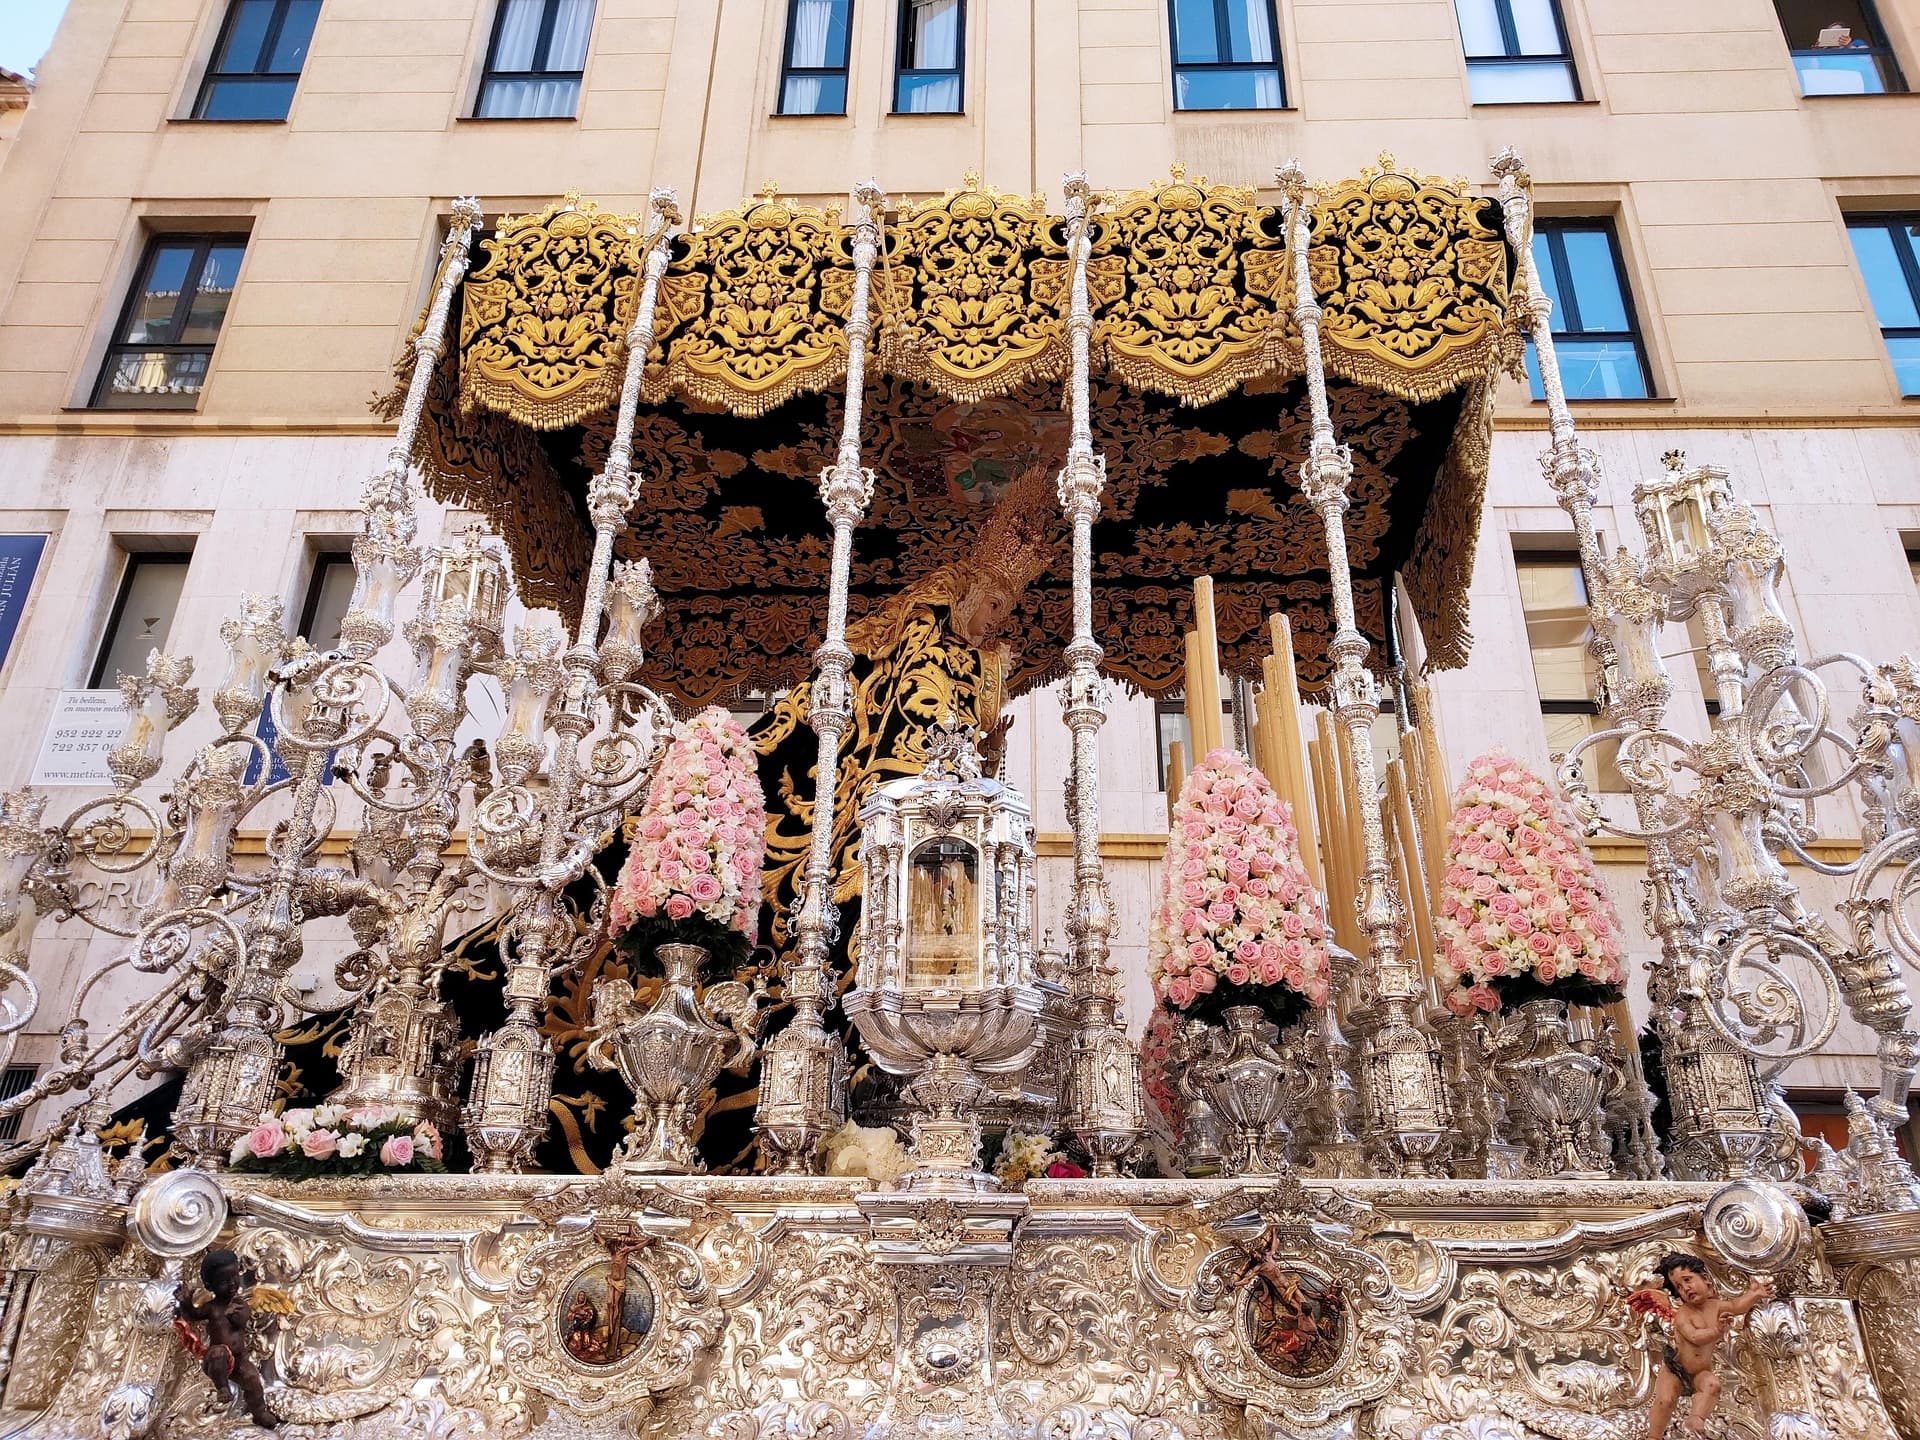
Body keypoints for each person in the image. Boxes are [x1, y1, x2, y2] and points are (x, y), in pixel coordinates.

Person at [1634, 1252, 1772, 1437]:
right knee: (1665, 1401)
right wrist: (1717, 1331)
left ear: (1706, 1279)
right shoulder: (1684, 1314)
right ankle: (1653, 1435)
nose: (1686, 1288)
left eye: (1688, 1280)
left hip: (1700, 1372)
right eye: (1679, 1287)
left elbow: (1737, 1306)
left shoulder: (1716, 1306)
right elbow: (1694, 1336)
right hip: (1676, 1369)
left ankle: (1696, 1418)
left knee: (1712, 1385)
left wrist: (1754, 1294)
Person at [174, 1248, 281, 1430]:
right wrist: (186, 1302)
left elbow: (243, 1319)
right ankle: (222, 1387)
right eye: (224, 1282)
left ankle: (260, 1412)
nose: (232, 1284)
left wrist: (236, 1316)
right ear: (209, 1286)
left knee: (253, 1380)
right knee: (217, 1352)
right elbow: (193, 1315)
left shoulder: (239, 1303)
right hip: (218, 1361)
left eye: (234, 1278)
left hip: (239, 1361)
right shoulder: (211, 1308)